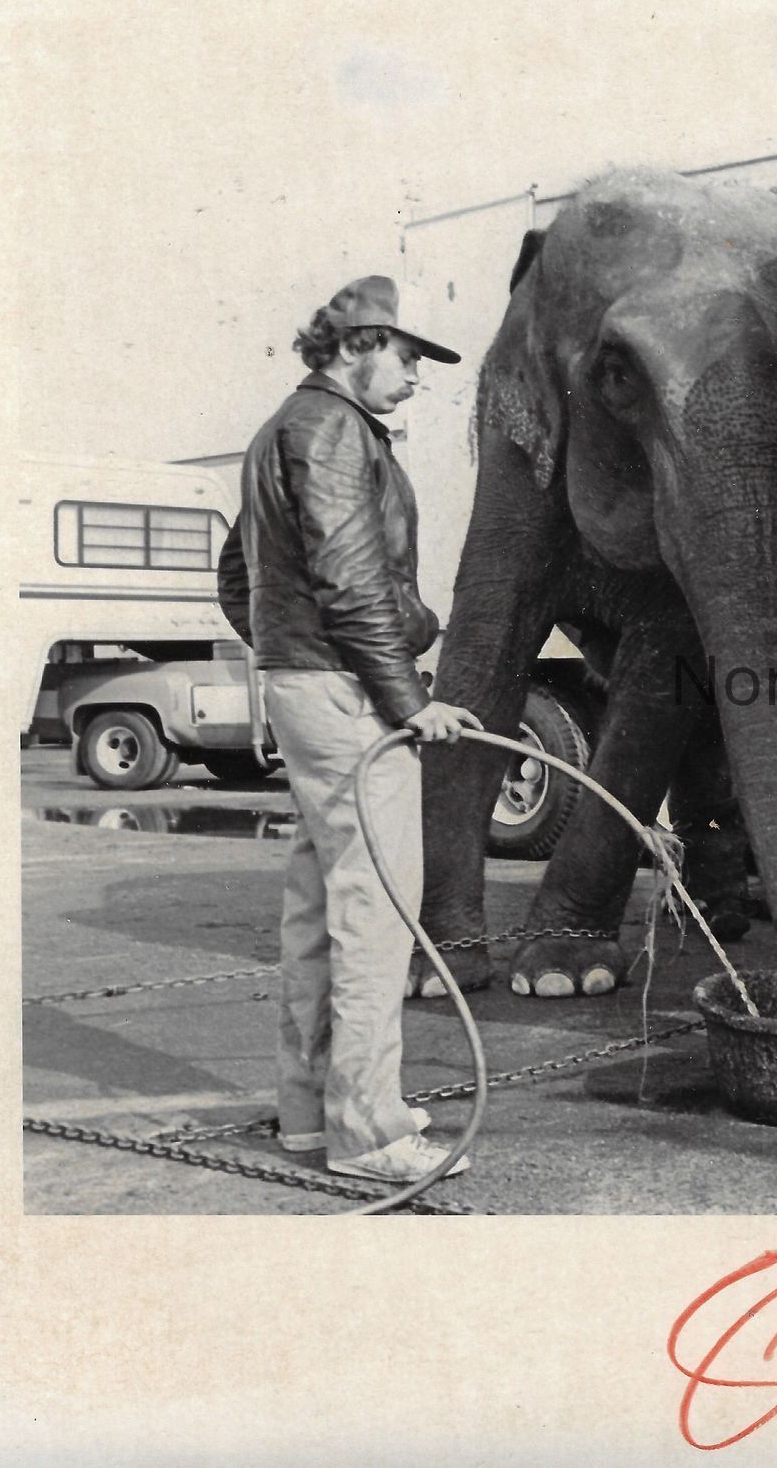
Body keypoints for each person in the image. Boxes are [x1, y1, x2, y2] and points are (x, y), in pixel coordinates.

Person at [217, 275, 484, 1184]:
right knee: (376, 914)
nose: (415, 376)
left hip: (307, 689)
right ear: (354, 346)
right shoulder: (335, 430)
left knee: (317, 909)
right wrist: (408, 699)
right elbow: (352, 580)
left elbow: (238, 577)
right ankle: (369, 1132)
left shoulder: (280, 430)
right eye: (405, 357)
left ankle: (310, 1114)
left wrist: (287, 656)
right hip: (347, 697)